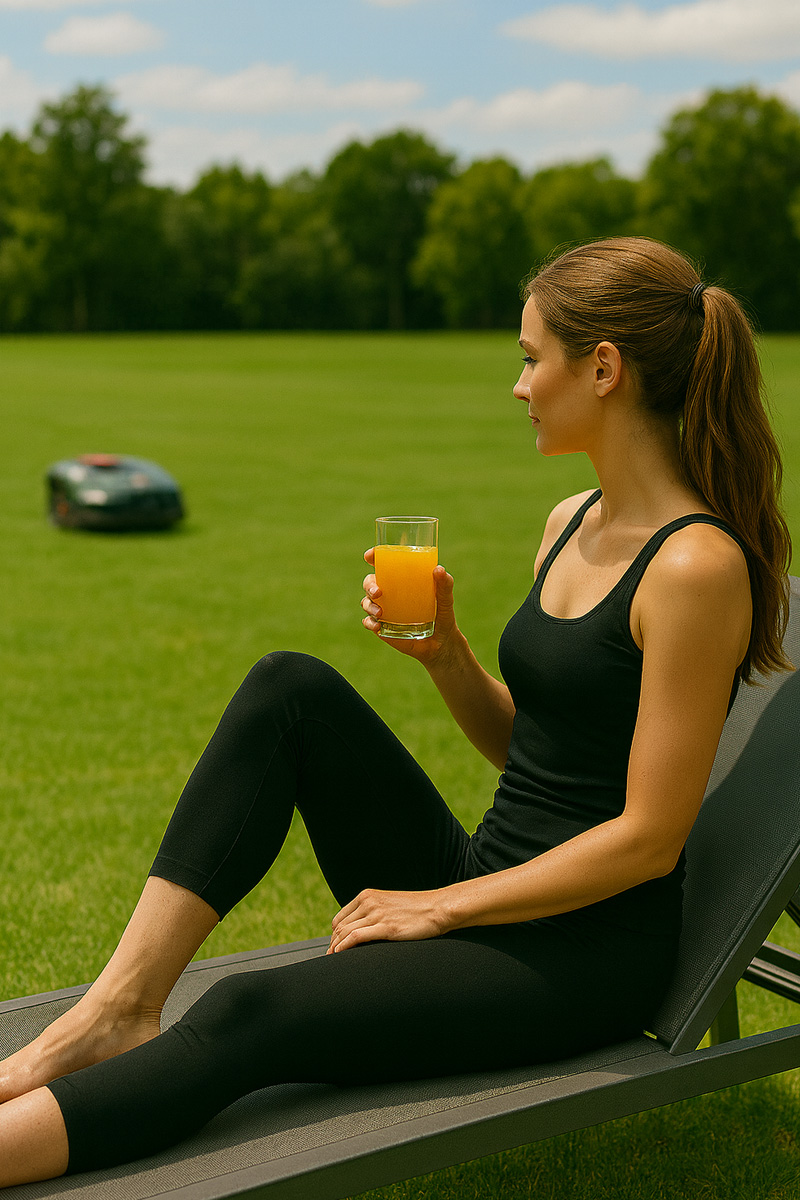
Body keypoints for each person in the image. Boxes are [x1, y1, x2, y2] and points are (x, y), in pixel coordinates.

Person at [0, 236, 791, 1186]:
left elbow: (649, 838)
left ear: (606, 369)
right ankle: (119, 1006)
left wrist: (437, 907)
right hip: (496, 880)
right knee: (289, 688)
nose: (519, 385)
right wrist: (447, 655)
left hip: (581, 956)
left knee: (252, 1017)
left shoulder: (695, 567)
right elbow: (533, 757)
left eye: (531, 358)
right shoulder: (570, 520)